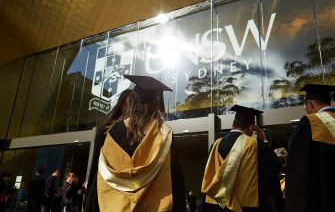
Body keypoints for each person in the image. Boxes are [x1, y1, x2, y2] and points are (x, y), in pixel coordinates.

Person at [84, 75, 186, 211]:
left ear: (132, 100)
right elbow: (175, 180)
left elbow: (97, 178)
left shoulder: (111, 133)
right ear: (156, 103)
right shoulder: (164, 136)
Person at [201, 105, 284, 212]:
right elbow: (275, 167)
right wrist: (264, 140)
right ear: (251, 127)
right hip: (245, 206)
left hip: (218, 205)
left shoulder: (216, 144)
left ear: (233, 125)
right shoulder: (254, 144)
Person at [285, 84, 335, 212]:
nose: (306, 110)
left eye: (305, 106)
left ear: (311, 104)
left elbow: (299, 167)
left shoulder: (310, 122)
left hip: (323, 198)